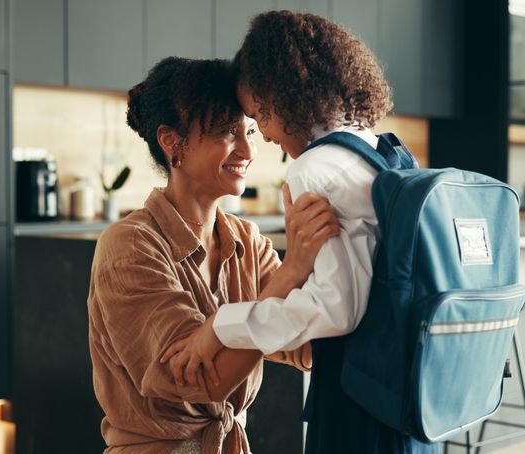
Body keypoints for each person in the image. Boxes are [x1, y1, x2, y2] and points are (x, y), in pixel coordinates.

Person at [162, 10, 441, 454]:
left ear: (282, 97)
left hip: (362, 401)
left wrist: (220, 325)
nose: (265, 139)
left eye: (260, 117)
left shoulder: (314, 168)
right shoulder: (376, 148)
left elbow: (336, 310)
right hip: (409, 392)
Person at [87, 56, 339, 454]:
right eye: (226, 132)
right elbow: (202, 381)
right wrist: (293, 269)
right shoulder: (130, 246)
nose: (247, 150)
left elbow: (294, 340)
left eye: (250, 131)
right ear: (173, 141)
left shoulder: (247, 240)